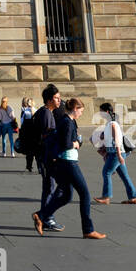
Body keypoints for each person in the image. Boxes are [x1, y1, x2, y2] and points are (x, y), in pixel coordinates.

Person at [32, 89, 105, 240]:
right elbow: (65, 143)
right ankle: (88, 229)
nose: (81, 114)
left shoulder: (68, 121)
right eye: (81, 111)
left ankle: (41, 215)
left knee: (66, 196)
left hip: (65, 162)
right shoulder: (67, 122)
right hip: (68, 163)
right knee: (85, 194)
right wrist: (76, 143)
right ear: (75, 109)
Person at [92, 102, 136, 205]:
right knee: (124, 175)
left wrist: (118, 154)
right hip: (116, 152)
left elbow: (117, 138)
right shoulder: (111, 123)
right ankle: (133, 197)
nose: (100, 114)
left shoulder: (112, 123)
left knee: (106, 172)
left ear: (107, 112)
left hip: (115, 152)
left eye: (101, 111)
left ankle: (106, 197)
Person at [19, 97, 37, 172]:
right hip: (34, 132)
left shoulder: (25, 111)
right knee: (35, 150)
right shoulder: (36, 110)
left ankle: (29, 165)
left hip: (27, 132)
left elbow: (22, 121)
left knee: (29, 151)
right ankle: (39, 166)